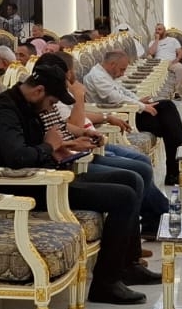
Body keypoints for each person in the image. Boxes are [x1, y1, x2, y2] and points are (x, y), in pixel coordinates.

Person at [0, 65, 159, 305]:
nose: (51, 108)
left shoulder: (28, 104)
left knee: (132, 179)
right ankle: (105, 284)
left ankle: (128, 265)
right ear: (39, 91)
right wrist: (50, 147)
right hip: (31, 187)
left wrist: (62, 147)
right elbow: (18, 158)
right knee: (124, 197)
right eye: (52, 102)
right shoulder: (5, 111)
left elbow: (36, 147)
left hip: (50, 174)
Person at [35, 51, 168, 237]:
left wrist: (103, 119)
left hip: (85, 143)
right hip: (75, 160)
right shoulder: (48, 99)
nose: (74, 76)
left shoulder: (56, 96)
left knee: (142, 163)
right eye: (72, 71)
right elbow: (69, 126)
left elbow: (68, 125)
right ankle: (159, 216)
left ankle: (154, 220)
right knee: (137, 173)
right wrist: (79, 98)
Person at [83, 49, 182, 187]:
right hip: (118, 118)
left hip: (126, 111)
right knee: (168, 121)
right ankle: (179, 155)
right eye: (122, 69)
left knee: (167, 111)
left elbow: (123, 91)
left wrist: (138, 101)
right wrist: (142, 107)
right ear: (112, 64)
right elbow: (116, 98)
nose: (123, 73)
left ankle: (175, 167)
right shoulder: (97, 76)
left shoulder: (104, 73)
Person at [145, 23, 182, 98]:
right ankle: (151, 92)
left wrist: (177, 59)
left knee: (179, 67)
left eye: (159, 29)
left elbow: (180, 52)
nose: (157, 31)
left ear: (164, 31)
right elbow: (151, 53)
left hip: (171, 63)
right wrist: (156, 40)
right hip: (158, 63)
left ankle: (176, 91)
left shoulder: (173, 40)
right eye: (156, 30)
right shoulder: (152, 42)